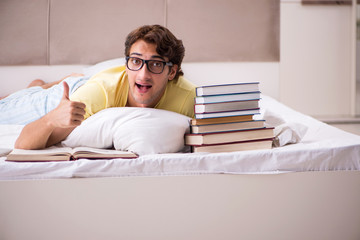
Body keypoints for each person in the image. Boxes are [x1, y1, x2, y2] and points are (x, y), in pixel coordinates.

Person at [9, 25, 196, 150]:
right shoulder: (100, 93)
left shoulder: (190, 99)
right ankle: (39, 87)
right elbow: (23, 144)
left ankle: (45, 84)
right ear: (127, 63)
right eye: (136, 61)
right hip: (75, 90)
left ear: (172, 72)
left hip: (94, 81)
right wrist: (50, 119)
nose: (143, 75)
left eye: (155, 64)